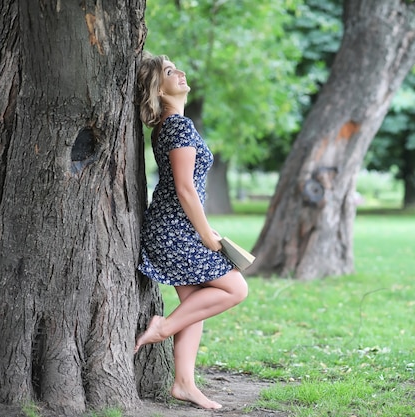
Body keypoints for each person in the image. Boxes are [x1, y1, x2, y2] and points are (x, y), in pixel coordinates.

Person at [134, 53, 248, 410]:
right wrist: (206, 235)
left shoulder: (171, 125)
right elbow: (184, 188)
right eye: (169, 72)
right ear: (158, 89)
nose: (180, 73)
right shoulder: (177, 127)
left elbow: (186, 189)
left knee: (194, 305)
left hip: (172, 227)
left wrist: (205, 228)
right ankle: (162, 329)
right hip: (175, 230)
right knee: (235, 288)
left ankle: (183, 383)